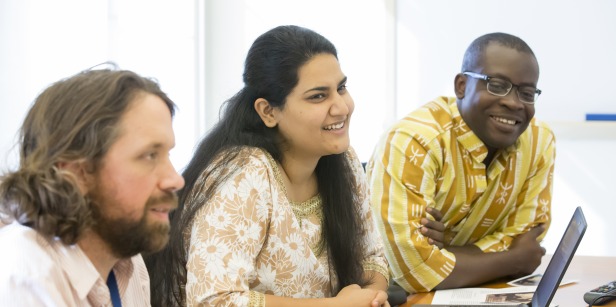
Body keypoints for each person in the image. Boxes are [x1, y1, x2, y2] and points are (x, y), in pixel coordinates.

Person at [144, 25, 390, 307]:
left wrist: (371, 298)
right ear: (268, 111)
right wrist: (336, 305)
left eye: (341, 88)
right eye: (318, 96)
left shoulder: (343, 161)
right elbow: (214, 300)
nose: (342, 107)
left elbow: (373, 258)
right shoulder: (243, 173)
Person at [367, 32, 555, 293]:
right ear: (461, 86)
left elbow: (527, 239)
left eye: (527, 92)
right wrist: (513, 260)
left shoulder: (539, 140)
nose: (514, 103)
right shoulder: (415, 141)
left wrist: (447, 252)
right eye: (497, 85)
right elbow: (414, 272)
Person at [0, 67, 185, 305]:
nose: (175, 180)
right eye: (149, 155)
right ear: (75, 173)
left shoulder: (128, 262)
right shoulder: (26, 275)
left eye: (167, 154)